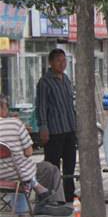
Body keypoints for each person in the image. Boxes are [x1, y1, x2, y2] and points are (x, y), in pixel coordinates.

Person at [0, 95, 71, 217]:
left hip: (3, 175)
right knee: (49, 168)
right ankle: (52, 201)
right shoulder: (15, 123)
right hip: (17, 172)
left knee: (19, 177)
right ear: (3, 108)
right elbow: (28, 152)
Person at [35, 48, 78, 204]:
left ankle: (68, 195)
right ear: (51, 62)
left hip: (69, 128)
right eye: (59, 60)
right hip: (54, 130)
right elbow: (41, 106)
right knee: (52, 166)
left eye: (64, 60)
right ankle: (50, 196)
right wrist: (43, 127)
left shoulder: (66, 79)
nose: (62, 63)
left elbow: (70, 104)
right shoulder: (44, 82)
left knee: (70, 164)